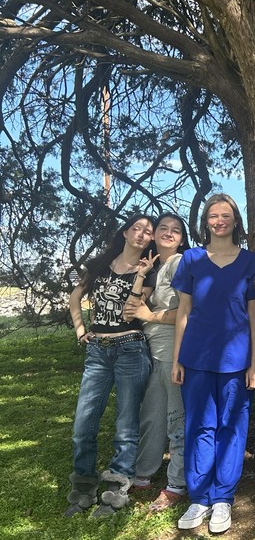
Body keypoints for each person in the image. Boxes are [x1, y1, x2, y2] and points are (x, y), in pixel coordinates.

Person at [172, 194, 255, 535]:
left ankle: (223, 498)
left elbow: (254, 316)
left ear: (235, 220)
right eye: (213, 215)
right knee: (200, 426)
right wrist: (178, 358)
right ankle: (200, 497)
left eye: (226, 215)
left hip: (237, 361)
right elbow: (183, 312)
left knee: (231, 427)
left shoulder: (252, 262)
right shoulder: (191, 260)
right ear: (206, 221)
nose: (219, 220)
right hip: (196, 358)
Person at [66, 213, 156, 517]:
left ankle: (115, 490)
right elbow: (75, 297)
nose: (142, 234)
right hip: (98, 352)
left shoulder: (149, 272)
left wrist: (142, 274)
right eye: (137, 228)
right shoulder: (100, 265)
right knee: (83, 423)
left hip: (130, 348)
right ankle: (83, 485)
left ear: (151, 240)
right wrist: (81, 331)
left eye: (148, 232)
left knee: (126, 425)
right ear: (126, 232)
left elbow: (131, 312)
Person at [125, 212, 191, 512]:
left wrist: (150, 316)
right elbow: (129, 309)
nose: (168, 233)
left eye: (175, 230)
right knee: (152, 415)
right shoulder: (155, 268)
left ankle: (176, 483)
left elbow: (190, 312)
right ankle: (143, 474)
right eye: (162, 228)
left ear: (182, 237)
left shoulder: (180, 264)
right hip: (151, 351)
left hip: (172, 352)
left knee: (176, 417)